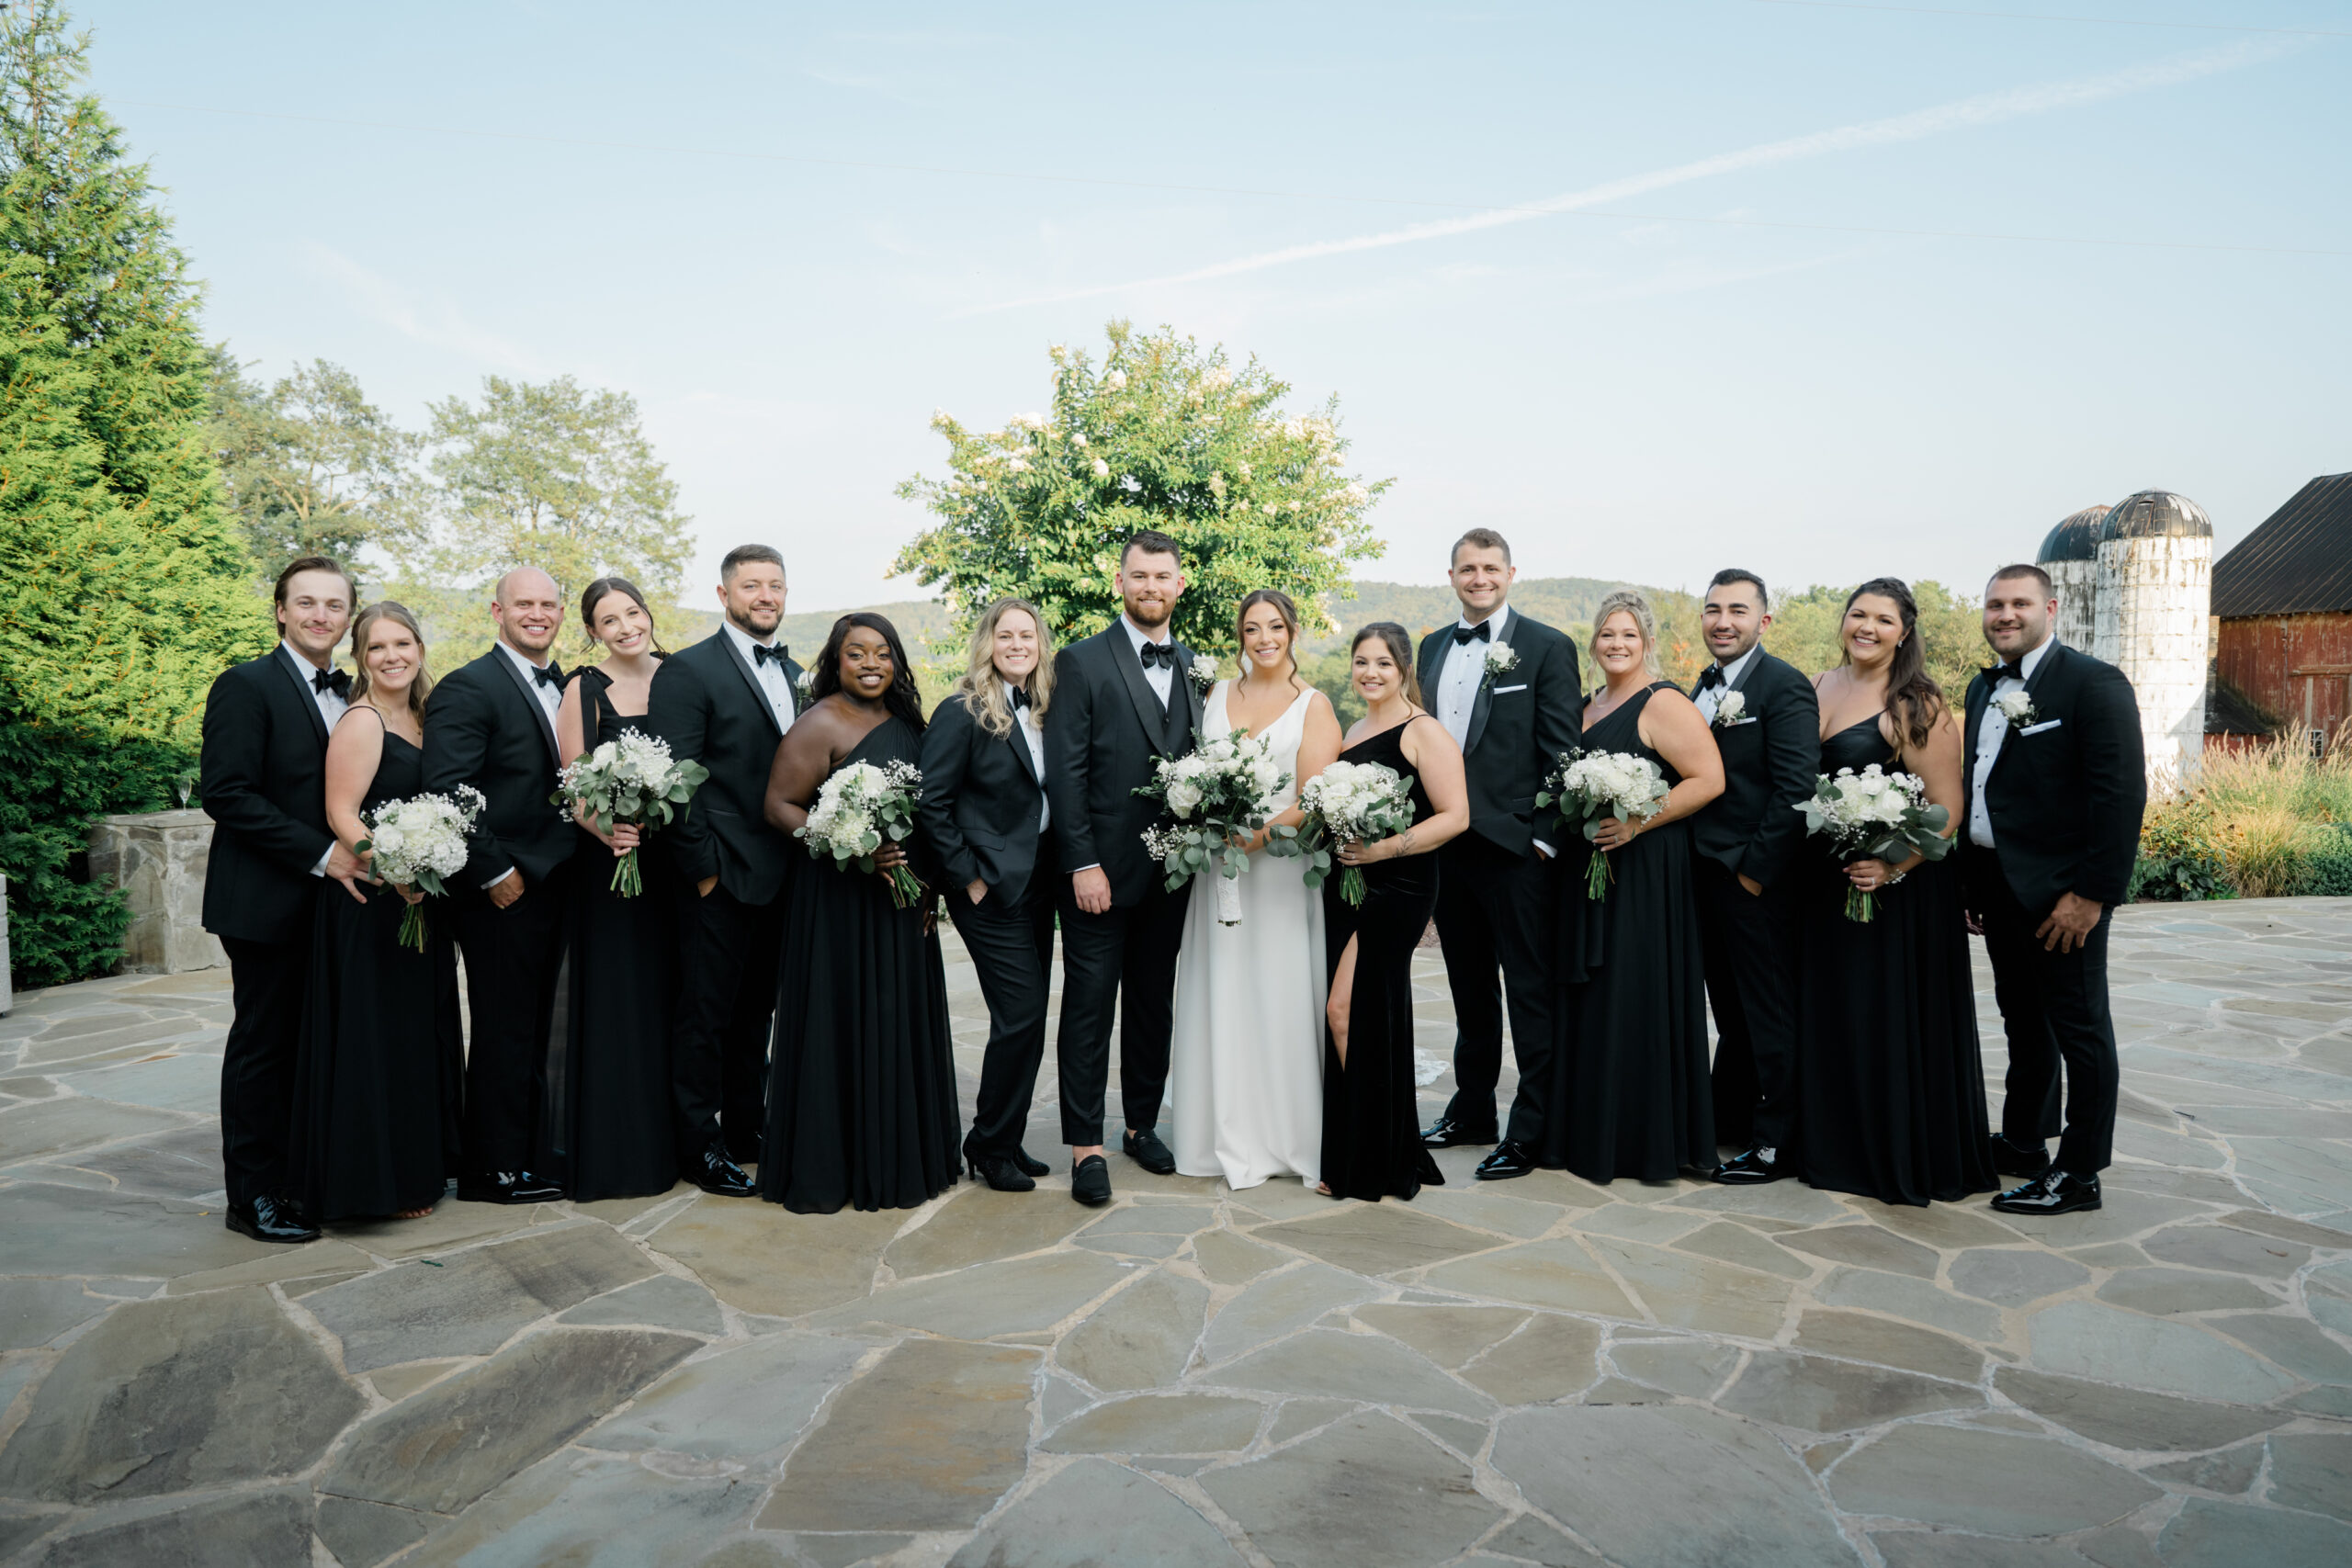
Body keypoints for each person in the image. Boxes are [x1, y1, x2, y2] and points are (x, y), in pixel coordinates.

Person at [1797, 578, 1996, 1207]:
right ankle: (1833, 1143)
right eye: (1859, 614)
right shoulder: (1819, 685)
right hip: (1828, 883)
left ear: (1904, 631)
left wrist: (1890, 866)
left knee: (1883, 1015)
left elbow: (1947, 808)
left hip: (1896, 891)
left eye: (1884, 619)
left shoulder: (1918, 703)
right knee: (1835, 1013)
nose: (1868, 627)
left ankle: (1892, 1149)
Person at [759, 614, 960, 1213]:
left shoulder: (907, 725)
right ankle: (837, 1163)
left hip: (901, 902)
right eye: (856, 653)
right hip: (839, 905)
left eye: (882, 652)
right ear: (836, 662)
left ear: (895, 661)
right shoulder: (819, 722)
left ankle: (898, 1156)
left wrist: (928, 888)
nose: (871, 663)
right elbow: (779, 804)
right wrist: (844, 843)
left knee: (895, 1017)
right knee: (841, 1021)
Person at [1965, 565, 2145, 1217]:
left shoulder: (2093, 684)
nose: (2005, 614)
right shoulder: (1981, 690)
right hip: (1998, 885)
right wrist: (1971, 880)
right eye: (1994, 604)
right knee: (2023, 1023)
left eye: (2019, 603)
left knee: (2081, 1029)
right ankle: (2023, 1142)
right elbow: (1981, 782)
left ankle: (2080, 1171)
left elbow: (2119, 797)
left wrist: (2091, 896)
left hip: (2062, 896)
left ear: (2051, 606)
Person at [199, 557, 367, 1243]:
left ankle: (304, 1179)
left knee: (313, 1047)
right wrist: (324, 854)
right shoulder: (245, 685)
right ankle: (254, 1195)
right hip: (266, 900)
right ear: (280, 610)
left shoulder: (356, 691)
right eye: (307, 603)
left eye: (334, 604)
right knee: (263, 1048)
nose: (321, 615)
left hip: (333, 905)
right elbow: (228, 794)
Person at [1414, 528, 1583, 1180]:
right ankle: (1473, 1108)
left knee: (1529, 993)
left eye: (1490, 568)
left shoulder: (1545, 647)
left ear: (1511, 572)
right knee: (1468, 988)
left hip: (1516, 849)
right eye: (1467, 568)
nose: (1478, 577)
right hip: (1446, 848)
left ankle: (1531, 1126)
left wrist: (1543, 837)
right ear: (1450, 574)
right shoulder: (1430, 646)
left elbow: (1562, 753)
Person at [287, 603, 464, 1223]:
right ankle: (375, 1184)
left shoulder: (425, 713)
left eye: (403, 642)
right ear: (361, 657)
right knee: (378, 1038)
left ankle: (422, 1166)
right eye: (378, 646)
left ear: (420, 646)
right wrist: (389, 866)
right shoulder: (361, 720)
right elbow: (341, 810)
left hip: (424, 897)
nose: (393, 656)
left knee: (420, 1033)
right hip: (373, 901)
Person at [1046, 530, 1206, 1206]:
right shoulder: (1080, 661)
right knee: (1089, 1009)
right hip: (1098, 876)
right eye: (1137, 575)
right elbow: (1066, 770)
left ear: (1179, 583)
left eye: (1161, 576)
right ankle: (1087, 1145)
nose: (1149, 586)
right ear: (1120, 583)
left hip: (1172, 873)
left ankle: (1140, 1123)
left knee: (1151, 1005)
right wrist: (1081, 861)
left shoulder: (1197, 664)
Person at [1543, 592, 1724, 1183]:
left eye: (1628, 634)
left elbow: (1708, 779)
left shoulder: (1663, 702)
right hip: (1589, 869)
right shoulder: (1585, 705)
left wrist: (1639, 820)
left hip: (1646, 870)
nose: (1616, 644)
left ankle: (1642, 1138)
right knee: (1593, 994)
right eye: (1606, 635)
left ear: (1646, 639)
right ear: (1593, 643)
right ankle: (1590, 1127)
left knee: (1635, 990)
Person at [1169, 590, 1342, 1190]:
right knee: (1223, 991)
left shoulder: (1312, 705)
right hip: (1217, 868)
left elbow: (1312, 798)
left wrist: (1257, 837)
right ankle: (1217, 1133)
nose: (1263, 637)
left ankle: (1286, 1136)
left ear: (1292, 631)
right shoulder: (1214, 694)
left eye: (1274, 626)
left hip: (1280, 874)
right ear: (1239, 634)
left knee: (1278, 993)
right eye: (1251, 627)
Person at [646, 545, 805, 1197]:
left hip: (786, 875)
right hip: (720, 876)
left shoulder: (796, 670)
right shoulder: (688, 671)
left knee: (756, 1014)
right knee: (705, 1015)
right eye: (751, 586)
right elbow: (675, 779)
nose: (764, 596)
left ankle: (747, 1128)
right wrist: (705, 870)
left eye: (774, 585)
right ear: (723, 594)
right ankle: (697, 1144)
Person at [422, 568, 575, 1205]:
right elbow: (448, 787)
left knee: (538, 1026)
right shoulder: (467, 687)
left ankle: (531, 1149)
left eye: (547, 604)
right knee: (503, 1025)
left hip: (557, 882)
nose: (537, 614)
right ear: (497, 610)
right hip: (501, 888)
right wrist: (493, 870)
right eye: (524, 604)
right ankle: (492, 1167)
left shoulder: (566, 686)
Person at [1318, 624, 1469, 1201]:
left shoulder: (1423, 731)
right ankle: (1373, 1147)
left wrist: (1384, 848)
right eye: (1361, 662)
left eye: (1383, 663)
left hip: (1399, 886)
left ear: (1404, 668)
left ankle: (1375, 1154)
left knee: (1344, 1010)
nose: (1370, 673)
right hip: (1348, 884)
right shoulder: (1353, 729)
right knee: (1367, 1015)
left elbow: (1455, 816)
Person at [920, 598, 1059, 1193]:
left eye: (1027, 635)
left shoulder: (1046, 709)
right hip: (989, 889)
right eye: (1006, 635)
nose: (1018, 644)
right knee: (1021, 1013)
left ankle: (1006, 1135)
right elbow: (932, 802)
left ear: (1040, 644)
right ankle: (988, 1142)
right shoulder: (962, 710)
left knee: (1025, 1021)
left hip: (1038, 886)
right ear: (988, 643)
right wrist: (967, 878)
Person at [1687, 570, 1822, 1185]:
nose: (1723, 620)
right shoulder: (1702, 685)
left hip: (1753, 880)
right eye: (1713, 608)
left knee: (1768, 1015)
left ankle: (1777, 1142)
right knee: (1732, 1014)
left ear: (1764, 620)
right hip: (1704, 876)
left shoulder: (1784, 686)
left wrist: (1753, 875)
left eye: (1737, 610)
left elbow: (1796, 789)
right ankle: (1732, 1120)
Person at [554, 577, 680, 1201]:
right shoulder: (583, 687)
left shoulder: (681, 674)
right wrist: (610, 831)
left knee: (679, 996)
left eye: (633, 612)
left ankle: (686, 1137)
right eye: (610, 619)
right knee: (622, 998)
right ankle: (622, 1150)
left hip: (679, 864)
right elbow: (575, 780)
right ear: (593, 631)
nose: (627, 626)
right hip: (614, 864)